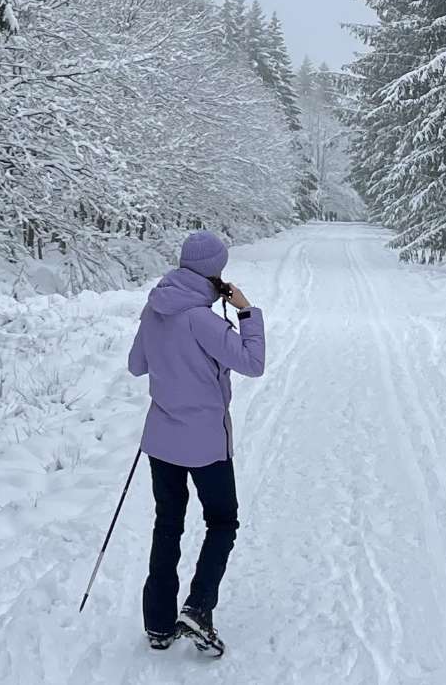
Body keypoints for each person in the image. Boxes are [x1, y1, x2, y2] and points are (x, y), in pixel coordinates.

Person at [125, 230, 265, 656]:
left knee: (167, 524)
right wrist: (247, 312)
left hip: (162, 441)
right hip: (206, 443)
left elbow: (136, 366)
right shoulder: (204, 319)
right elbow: (252, 363)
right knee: (222, 522)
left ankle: (159, 625)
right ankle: (199, 607)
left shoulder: (156, 308)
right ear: (215, 272)